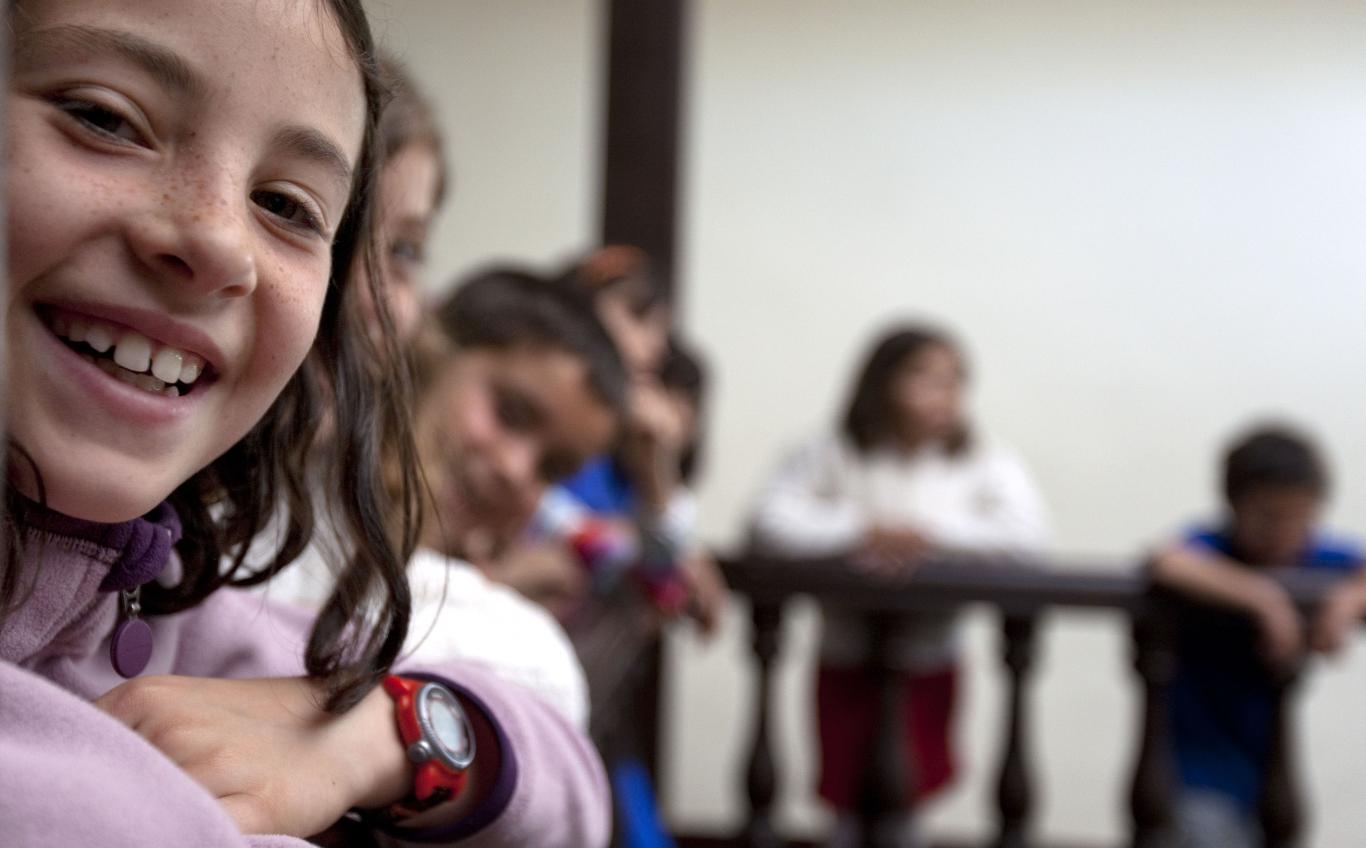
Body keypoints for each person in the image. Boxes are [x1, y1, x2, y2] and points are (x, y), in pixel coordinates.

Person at [0, 1, 609, 845]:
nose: (218, 242)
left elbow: (561, 737)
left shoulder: (141, 591)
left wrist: (385, 732)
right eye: (105, 118)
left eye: (288, 206)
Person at [270, 268, 628, 730]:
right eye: (510, 413)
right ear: (430, 351)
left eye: (552, 469)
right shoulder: (284, 501)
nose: (516, 469)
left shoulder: (475, 598)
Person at [749, 323, 1048, 848]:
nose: (944, 393)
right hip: (845, 654)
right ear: (882, 381)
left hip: (931, 657)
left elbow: (1028, 536)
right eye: (926, 377)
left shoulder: (982, 459)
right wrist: (860, 530)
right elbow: (768, 522)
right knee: (844, 803)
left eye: (955, 380)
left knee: (911, 801)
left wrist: (928, 536)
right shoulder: (832, 452)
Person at [1151, 424, 1366, 848]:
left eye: (1300, 518)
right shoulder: (1215, 548)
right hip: (1199, 764)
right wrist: (1264, 599)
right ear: (1234, 507)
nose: (1285, 532)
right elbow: (1167, 561)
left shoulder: (1316, 554)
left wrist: (1346, 603)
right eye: (1269, 518)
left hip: (1266, 767)